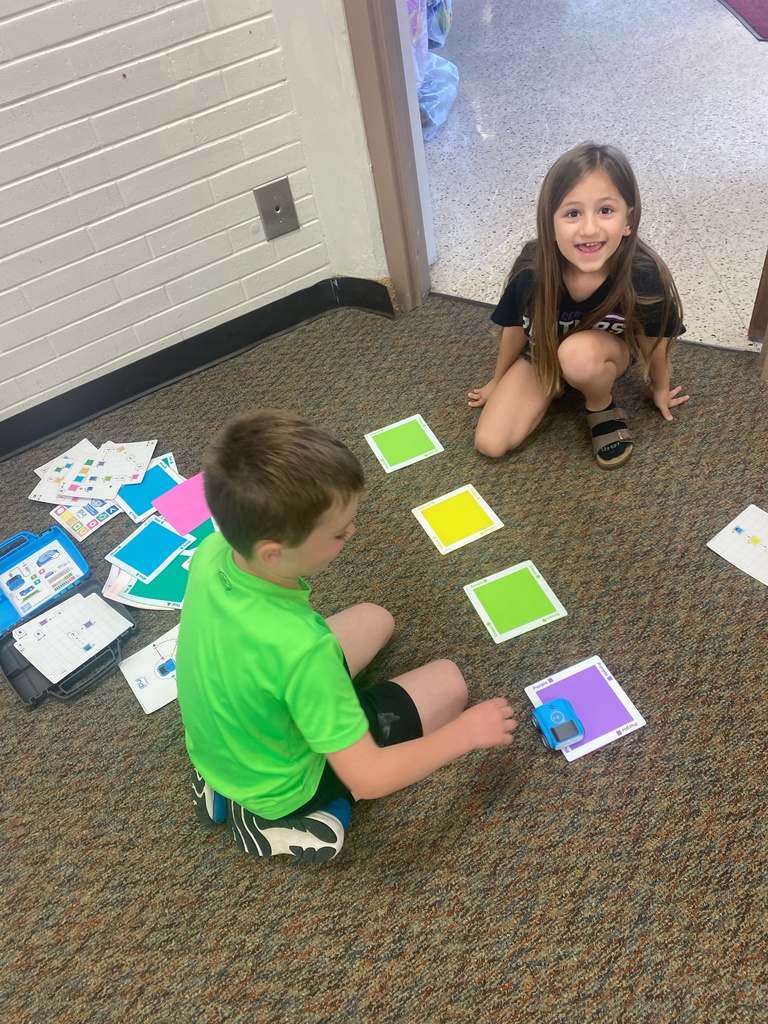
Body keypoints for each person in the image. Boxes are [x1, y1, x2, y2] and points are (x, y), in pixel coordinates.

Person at [175, 409, 517, 864]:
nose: (352, 533)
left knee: (377, 618)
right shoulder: (303, 650)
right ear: (273, 553)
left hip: (224, 739)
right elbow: (370, 777)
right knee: (450, 684)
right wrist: (467, 734)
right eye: (338, 533)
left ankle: (223, 783)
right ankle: (277, 819)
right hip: (287, 784)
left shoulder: (212, 551)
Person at [468, 142, 688, 469]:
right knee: (490, 443)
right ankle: (559, 383)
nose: (589, 229)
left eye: (605, 210)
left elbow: (654, 340)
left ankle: (599, 404)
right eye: (573, 213)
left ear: (628, 220)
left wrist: (660, 386)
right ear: (550, 223)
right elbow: (514, 328)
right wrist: (497, 380)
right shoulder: (532, 272)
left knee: (578, 355)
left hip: (601, 356)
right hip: (542, 353)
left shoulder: (643, 275)